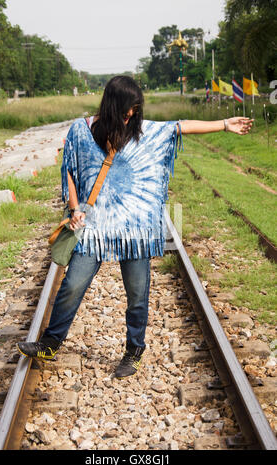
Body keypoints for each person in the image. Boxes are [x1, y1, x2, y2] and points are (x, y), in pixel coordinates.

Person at [17, 75, 253, 379]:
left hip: (135, 227)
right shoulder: (82, 130)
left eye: (135, 110)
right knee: (73, 283)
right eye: (126, 110)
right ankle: (50, 343)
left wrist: (223, 124)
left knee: (138, 293)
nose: (130, 115)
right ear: (112, 105)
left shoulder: (144, 132)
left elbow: (179, 126)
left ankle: (134, 350)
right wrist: (75, 209)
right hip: (95, 227)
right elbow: (71, 172)